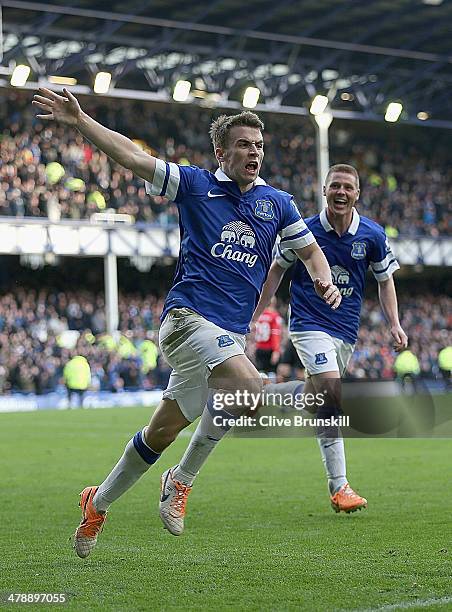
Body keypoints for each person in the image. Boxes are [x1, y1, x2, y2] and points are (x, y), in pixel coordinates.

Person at [33, 88, 341, 556]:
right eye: (243, 144)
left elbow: (311, 251)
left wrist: (323, 280)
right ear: (222, 151)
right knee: (250, 391)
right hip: (187, 320)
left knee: (161, 431)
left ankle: (98, 503)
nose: (253, 152)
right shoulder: (194, 185)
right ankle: (181, 480)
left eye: (258, 145)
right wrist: (81, 121)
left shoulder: (277, 203)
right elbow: (132, 157)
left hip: (226, 335)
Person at [253, 164, 408, 513]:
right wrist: (257, 313)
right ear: (324, 190)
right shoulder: (303, 230)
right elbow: (277, 269)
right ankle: (340, 487)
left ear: (357, 194)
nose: (341, 192)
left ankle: (253, 395)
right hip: (308, 324)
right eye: (334, 186)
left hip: (345, 333)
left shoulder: (372, 235)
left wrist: (394, 323)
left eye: (347, 188)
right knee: (330, 394)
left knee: (315, 396)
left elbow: (385, 280)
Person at [254, 297, 283, 373]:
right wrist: (276, 350)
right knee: (271, 373)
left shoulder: (259, 316)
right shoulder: (274, 316)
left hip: (259, 348)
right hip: (269, 348)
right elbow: (275, 334)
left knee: (261, 372)